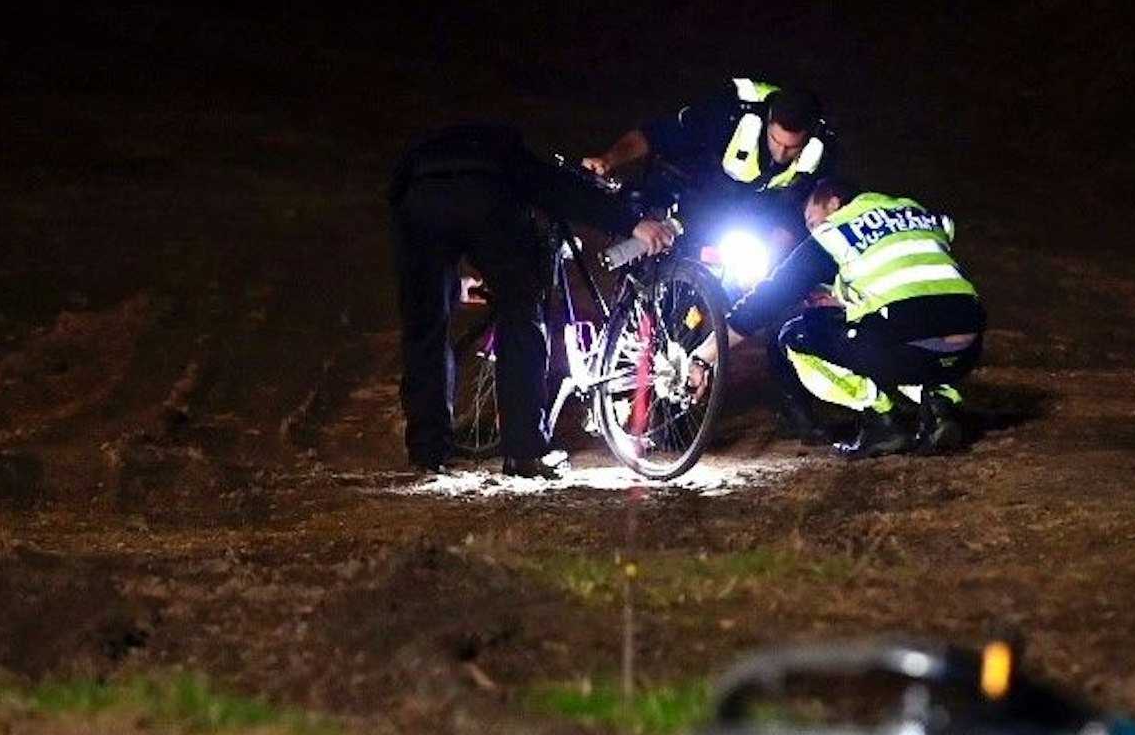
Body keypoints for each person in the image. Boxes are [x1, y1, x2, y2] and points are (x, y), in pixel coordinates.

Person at [389, 121, 675, 477]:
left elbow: (397, 199)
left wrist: (444, 280)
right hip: (489, 201)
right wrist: (632, 222)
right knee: (521, 315)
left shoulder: (422, 152)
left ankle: (426, 454)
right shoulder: (504, 149)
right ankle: (525, 452)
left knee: (424, 327)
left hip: (421, 205)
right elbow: (561, 191)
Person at [698, 176, 985, 459]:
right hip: (968, 345)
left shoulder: (835, 231)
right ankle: (941, 404)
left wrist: (705, 355)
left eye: (812, 220)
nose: (812, 230)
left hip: (902, 347)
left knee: (797, 337)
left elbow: (765, 302)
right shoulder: (917, 211)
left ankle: (880, 419)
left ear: (834, 203)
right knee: (913, 325)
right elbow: (914, 273)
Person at [580, 77, 832, 254]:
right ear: (768, 120)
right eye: (776, 141)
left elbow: (799, 210)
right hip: (685, 187)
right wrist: (610, 158)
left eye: (792, 148)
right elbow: (657, 134)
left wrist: (774, 258)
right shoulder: (730, 113)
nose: (781, 153)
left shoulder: (822, 148)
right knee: (660, 250)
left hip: (742, 212)